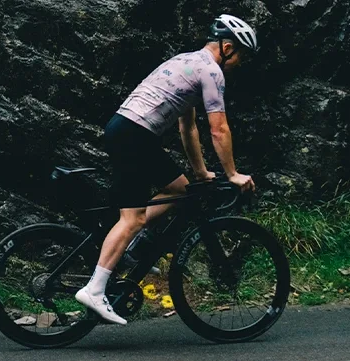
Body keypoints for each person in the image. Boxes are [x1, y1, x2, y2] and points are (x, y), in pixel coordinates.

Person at [75, 15, 261, 325]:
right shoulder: (212, 72)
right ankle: (95, 289)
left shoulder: (185, 62)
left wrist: (200, 173)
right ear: (227, 47)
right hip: (134, 135)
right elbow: (219, 130)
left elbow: (187, 128)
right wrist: (232, 174)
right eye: (241, 55)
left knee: (181, 189)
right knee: (131, 219)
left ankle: (129, 246)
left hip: (129, 130)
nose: (240, 62)